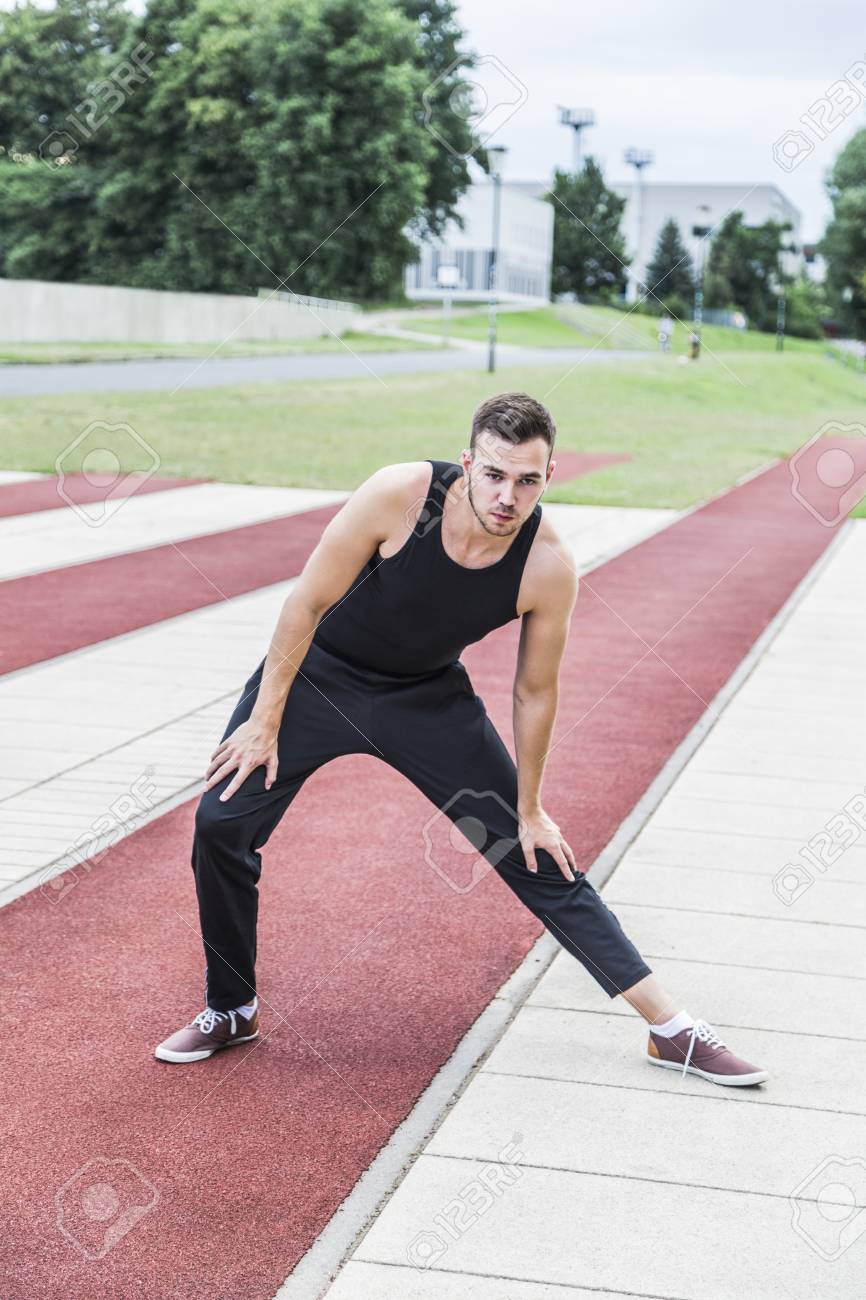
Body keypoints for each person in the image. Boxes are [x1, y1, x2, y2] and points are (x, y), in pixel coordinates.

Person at [154, 392, 767, 1088]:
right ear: (469, 463)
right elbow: (307, 602)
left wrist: (531, 805)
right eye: (496, 475)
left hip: (425, 700)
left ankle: (671, 1028)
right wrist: (265, 722)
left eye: (529, 480)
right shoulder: (397, 495)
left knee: (534, 851)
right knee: (221, 824)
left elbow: (535, 691)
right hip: (319, 681)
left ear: (549, 475)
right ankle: (232, 1008)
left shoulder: (547, 566)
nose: (509, 496)